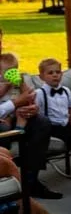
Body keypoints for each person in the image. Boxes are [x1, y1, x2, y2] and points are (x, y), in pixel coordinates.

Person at [0, 52, 56, 200]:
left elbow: (29, 95)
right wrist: (15, 103)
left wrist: (32, 108)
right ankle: (7, 180)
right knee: (4, 129)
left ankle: (31, 181)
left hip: (14, 113)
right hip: (3, 119)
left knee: (41, 122)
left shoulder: (18, 80)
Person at [30, 58, 71, 164]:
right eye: (50, 73)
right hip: (51, 127)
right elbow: (36, 112)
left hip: (66, 125)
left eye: (58, 72)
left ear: (61, 74)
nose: (55, 75)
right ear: (41, 77)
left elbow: (70, 108)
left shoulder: (66, 91)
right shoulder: (39, 93)